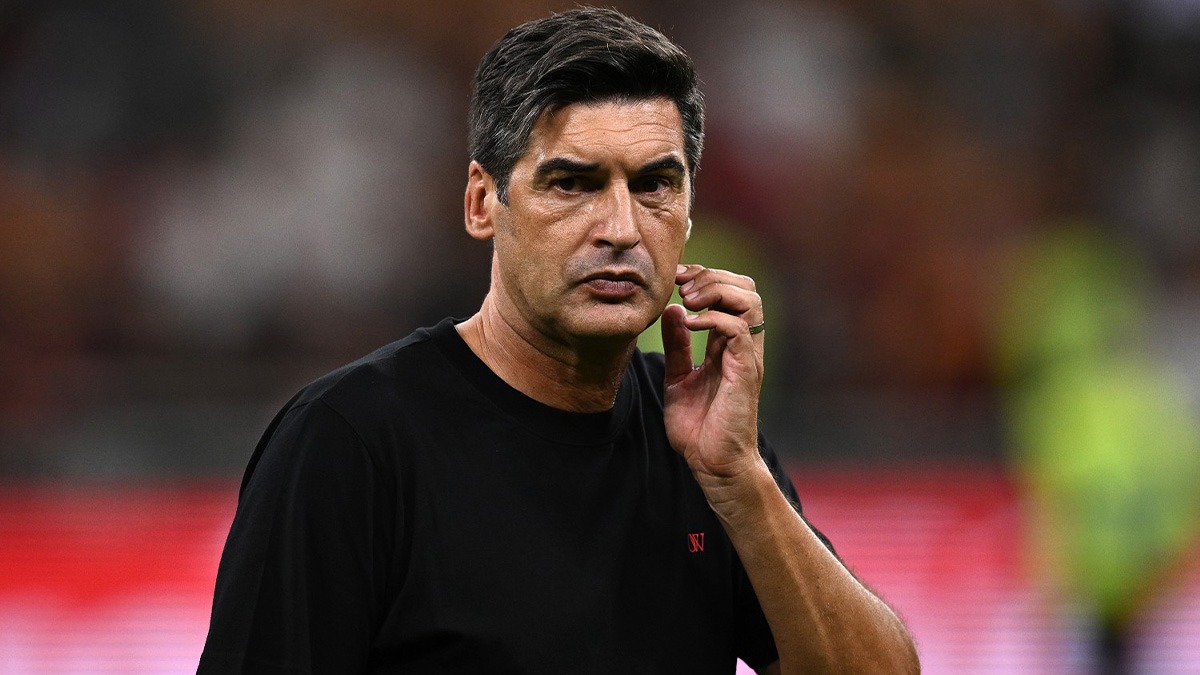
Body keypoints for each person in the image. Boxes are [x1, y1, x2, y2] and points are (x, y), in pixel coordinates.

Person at [197, 8, 919, 674]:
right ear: (483, 202)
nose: (622, 228)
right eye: (572, 184)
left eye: (654, 185)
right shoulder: (349, 442)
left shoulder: (710, 448)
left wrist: (740, 479)